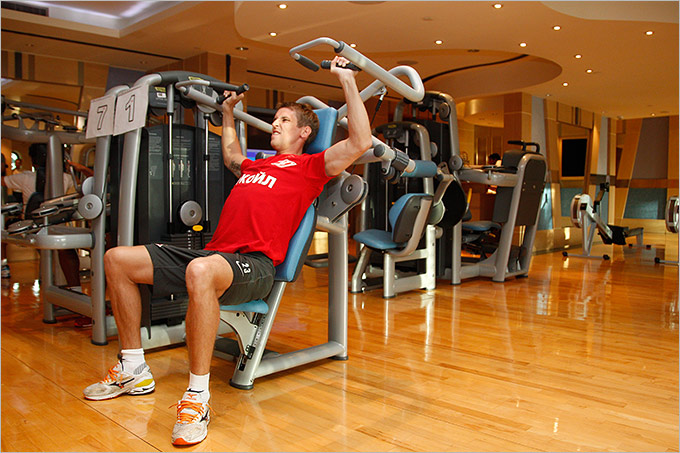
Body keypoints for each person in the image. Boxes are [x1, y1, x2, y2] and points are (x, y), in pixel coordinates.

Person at [82, 56, 373, 446]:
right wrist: (227, 112)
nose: (275, 124)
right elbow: (232, 154)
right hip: (214, 256)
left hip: (255, 265)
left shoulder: (310, 168)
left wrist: (347, 79)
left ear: (304, 131)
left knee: (201, 270)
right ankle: (133, 368)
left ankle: (197, 398)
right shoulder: (257, 166)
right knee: (117, 259)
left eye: (285, 120)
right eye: (276, 119)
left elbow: (360, 143)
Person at [1, 144, 91, 285]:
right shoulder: (66, 178)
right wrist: (80, 169)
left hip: (34, 227)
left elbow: (3, 181)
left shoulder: (24, 177)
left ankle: (5, 266)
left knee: (60, 249)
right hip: (56, 226)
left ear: (33, 161)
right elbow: (88, 184)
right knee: (65, 249)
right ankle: (73, 287)